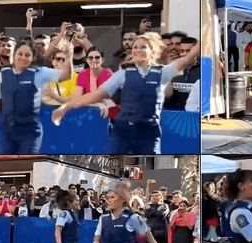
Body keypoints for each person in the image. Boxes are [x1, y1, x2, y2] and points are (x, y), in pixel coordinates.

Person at [52, 32, 200, 154]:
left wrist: (206, 33)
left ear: (153, 51)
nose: (137, 50)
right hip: (122, 133)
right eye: (135, 47)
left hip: (149, 134)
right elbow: (95, 95)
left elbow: (187, 59)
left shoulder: (163, 71)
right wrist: (66, 107)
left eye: (143, 47)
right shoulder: (123, 73)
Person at [0, 24, 74, 154]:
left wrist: (69, 56)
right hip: (6, 134)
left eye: (27, 55)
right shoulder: (3, 75)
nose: (23, 57)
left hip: (30, 134)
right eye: (20, 54)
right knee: (3, 167)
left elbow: (66, 76)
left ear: (32, 57)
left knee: (26, 167)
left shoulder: (40, 73)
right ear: (14, 56)